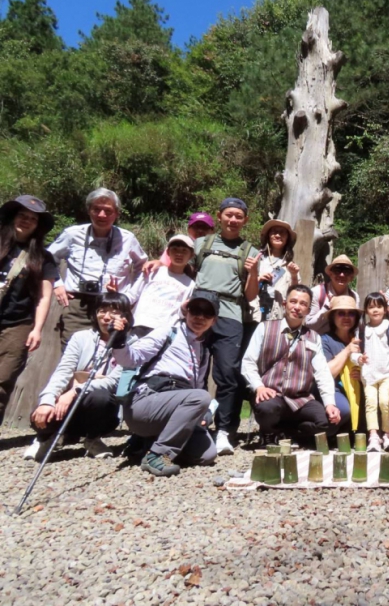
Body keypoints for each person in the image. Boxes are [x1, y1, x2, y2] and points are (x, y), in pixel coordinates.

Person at [112, 290, 219, 477]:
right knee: (201, 397)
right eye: (195, 310)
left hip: (177, 406)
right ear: (186, 312)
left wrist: (205, 413)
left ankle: (147, 443)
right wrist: (120, 340)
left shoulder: (203, 351)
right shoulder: (168, 332)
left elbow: (197, 388)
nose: (200, 317)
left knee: (207, 455)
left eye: (207, 314)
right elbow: (130, 358)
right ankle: (157, 455)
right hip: (146, 401)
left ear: (214, 320)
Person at [190, 197, 261, 455]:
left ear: (245, 220)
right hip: (198, 311)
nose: (233, 220)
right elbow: (179, 268)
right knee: (191, 369)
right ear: (219, 216)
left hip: (230, 314)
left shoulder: (250, 251)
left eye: (238, 216)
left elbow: (251, 295)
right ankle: (188, 425)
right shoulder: (201, 244)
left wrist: (253, 273)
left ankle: (224, 431)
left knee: (228, 373)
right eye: (229, 215)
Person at [24, 293, 128, 461]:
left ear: (125, 315)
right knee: (44, 410)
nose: (107, 317)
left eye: (114, 312)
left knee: (101, 397)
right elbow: (63, 371)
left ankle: (92, 438)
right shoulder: (81, 337)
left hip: (98, 403)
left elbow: (112, 382)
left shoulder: (129, 345)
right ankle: (45, 438)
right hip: (69, 401)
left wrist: (74, 392)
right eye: (102, 311)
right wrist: (47, 401)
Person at [48, 188, 148, 349]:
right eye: (96, 209)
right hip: (77, 305)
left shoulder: (127, 238)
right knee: (72, 353)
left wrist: (129, 296)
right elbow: (47, 258)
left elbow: (143, 267)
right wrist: (57, 283)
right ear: (89, 211)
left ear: (117, 213)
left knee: (108, 356)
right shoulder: (72, 234)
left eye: (108, 211)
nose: (102, 215)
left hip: (112, 305)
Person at [241, 285, 341, 445]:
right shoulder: (264, 328)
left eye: (303, 304)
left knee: (329, 423)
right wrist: (259, 387)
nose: (297, 307)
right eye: (293, 301)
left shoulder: (313, 337)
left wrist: (330, 404)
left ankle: (288, 434)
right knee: (267, 409)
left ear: (308, 310)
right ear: (285, 304)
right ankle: (269, 432)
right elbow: (248, 362)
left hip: (301, 399)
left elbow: (322, 373)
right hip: (271, 395)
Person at [0, 196, 58, 424]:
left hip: (17, 324)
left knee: (3, 381)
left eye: (32, 219)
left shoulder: (43, 258)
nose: (26, 221)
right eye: (22, 215)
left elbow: (44, 297)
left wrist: (37, 329)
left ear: (37, 226)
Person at [353, 292, 389, 452]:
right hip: (368, 376)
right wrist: (358, 359)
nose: (375, 310)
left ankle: (388, 435)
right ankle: (373, 436)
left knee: (384, 402)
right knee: (371, 403)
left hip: (386, 375)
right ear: (366, 310)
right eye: (371, 307)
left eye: (379, 306)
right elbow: (354, 352)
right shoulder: (361, 330)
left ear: (385, 309)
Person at [129, 235, 195, 339]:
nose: (179, 254)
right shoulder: (153, 271)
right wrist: (115, 297)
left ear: (191, 255)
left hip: (165, 331)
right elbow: (133, 295)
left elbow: (181, 314)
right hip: (140, 324)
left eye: (184, 251)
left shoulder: (190, 284)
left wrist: (183, 309)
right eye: (175, 249)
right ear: (168, 252)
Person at [318, 295, 361, 437]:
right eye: (341, 313)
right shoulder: (324, 340)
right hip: (333, 389)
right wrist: (347, 350)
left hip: (359, 388)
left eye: (351, 313)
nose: (346, 317)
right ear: (333, 317)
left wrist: (362, 375)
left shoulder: (361, 339)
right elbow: (327, 373)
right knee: (343, 410)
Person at [254, 219, 300, 322]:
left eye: (282, 232)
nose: (278, 235)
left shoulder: (290, 264)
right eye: (274, 232)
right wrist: (259, 279)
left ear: (288, 238)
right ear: (268, 236)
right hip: (254, 313)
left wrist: (294, 275)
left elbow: (295, 293)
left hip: (278, 314)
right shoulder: (257, 259)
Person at [306, 255, 360, 334]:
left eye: (347, 272)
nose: (342, 275)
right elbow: (309, 326)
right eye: (337, 270)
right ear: (330, 274)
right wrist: (327, 307)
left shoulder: (354, 297)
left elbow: (356, 326)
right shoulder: (317, 292)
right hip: (319, 342)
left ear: (351, 277)